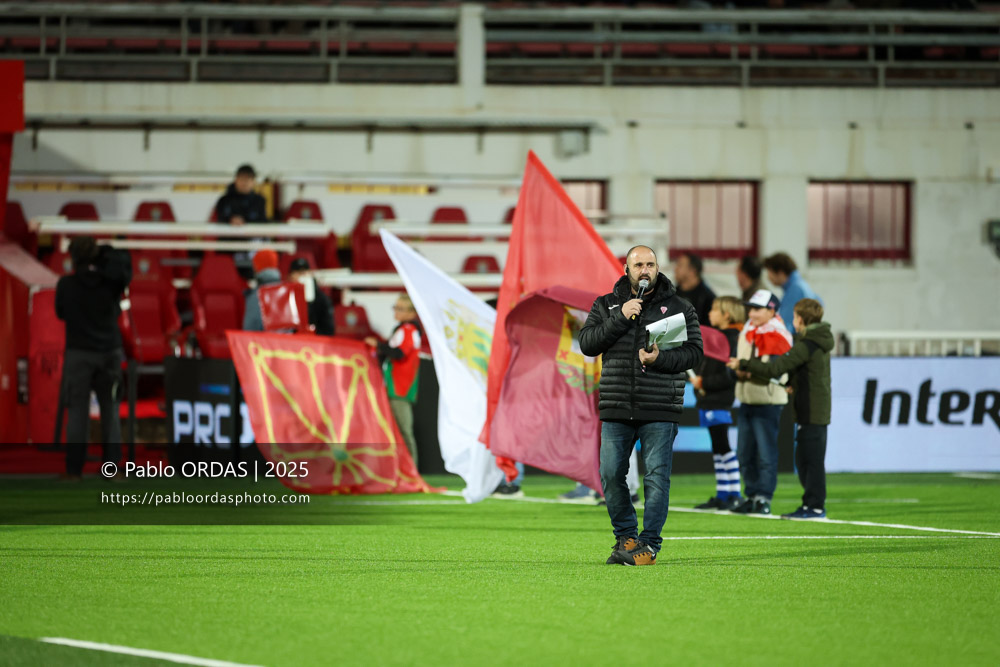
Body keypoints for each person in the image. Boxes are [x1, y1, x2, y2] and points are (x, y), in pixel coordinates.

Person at [580, 245, 703, 566]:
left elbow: (694, 354)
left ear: (658, 267)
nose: (645, 270)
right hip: (617, 404)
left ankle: (649, 544)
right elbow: (588, 344)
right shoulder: (607, 305)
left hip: (660, 405)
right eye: (638, 265)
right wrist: (620, 318)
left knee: (656, 478)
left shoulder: (679, 307)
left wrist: (660, 359)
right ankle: (626, 537)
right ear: (626, 269)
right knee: (609, 473)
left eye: (650, 264)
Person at [733, 298, 832, 519]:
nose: (793, 321)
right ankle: (810, 505)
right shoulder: (811, 341)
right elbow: (806, 374)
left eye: (796, 316)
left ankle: (815, 506)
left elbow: (777, 367)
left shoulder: (808, 344)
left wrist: (744, 364)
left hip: (811, 409)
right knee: (805, 460)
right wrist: (791, 384)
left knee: (811, 461)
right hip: (809, 407)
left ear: (802, 319)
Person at [55, 236, 132, 479]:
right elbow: (124, 266)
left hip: (79, 353)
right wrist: (104, 253)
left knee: (77, 410)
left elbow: (60, 312)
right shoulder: (110, 284)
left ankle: (74, 469)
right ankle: (112, 467)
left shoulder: (66, 284)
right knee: (110, 408)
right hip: (109, 352)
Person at [726, 289, 793, 515]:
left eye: (757, 309)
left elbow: (773, 371)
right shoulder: (748, 331)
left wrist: (743, 368)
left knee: (765, 453)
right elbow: (735, 363)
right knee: (744, 453)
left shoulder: (778, 334)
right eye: (750, 308)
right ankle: (753, 494)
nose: (751, 313)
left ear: (771, 310)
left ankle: (764, 497)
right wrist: (736, 372)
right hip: (747, 399)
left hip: (767, 401)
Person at [690, 296, 745, 510]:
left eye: (714, 309)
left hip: (719, 400)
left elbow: (728, 376)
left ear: (727, 315)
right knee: (717, 448)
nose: (710, 313)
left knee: (723, 446)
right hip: (709, 400)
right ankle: (723, 494)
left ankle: (735, 493)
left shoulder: (731, 340)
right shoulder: (720, 337)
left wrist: (703, 381)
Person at [365, 294, 423, 469]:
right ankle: (401, 467)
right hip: (396, 385)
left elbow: (399, 353)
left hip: (399, 387)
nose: (396, 312)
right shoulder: (405, 329)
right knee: (397, 430)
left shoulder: (407, 330)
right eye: (395, 307)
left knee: (403, 430)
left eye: (400, 308)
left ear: (412, 312)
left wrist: (378, 345)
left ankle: (410, 469)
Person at [762, 252, 821, 334]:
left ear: (780, 272)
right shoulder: (801, 285)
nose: (768, 277)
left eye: (769, 272)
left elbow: (786, 327)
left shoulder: (795, 290)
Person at [288, 257, 335, 336]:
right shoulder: (287, 298)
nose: (301, 276)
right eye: (297, 272)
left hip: (314, 343)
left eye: (304, 272)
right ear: (290, 276)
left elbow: (328, 330)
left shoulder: (321, 299)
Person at [673, 251, 716, 328]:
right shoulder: (671, 294)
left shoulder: (708, 299)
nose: (675, 269)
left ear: (692, 271)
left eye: (680, 265)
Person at [242, 249, 282, 331]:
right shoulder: (287, 291)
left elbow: (250, 329)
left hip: (264, 343)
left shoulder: (256, 296)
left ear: (256, 267)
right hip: (288, 342)